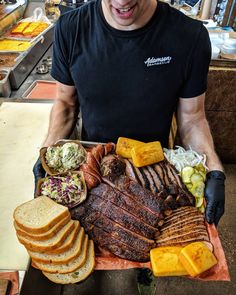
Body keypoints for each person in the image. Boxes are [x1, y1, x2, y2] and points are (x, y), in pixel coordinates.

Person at [34, 0, 225, 226]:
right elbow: (65, 104)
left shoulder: (190, 37)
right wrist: (47, 154)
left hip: (155, 179)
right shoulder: (71, 28)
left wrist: (213, 169)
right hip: (90, 176)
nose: (122, 2)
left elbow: (192, 119)